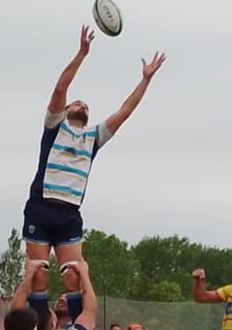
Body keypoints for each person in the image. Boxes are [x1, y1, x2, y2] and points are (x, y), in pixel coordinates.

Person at [21, 26, 164, 283]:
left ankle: (75, 312)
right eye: (77, 103)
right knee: (38, 276)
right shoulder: (55, 127)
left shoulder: (93, 138)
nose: (83, 105)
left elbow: (125, 111)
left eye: (86, 105)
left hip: (69, 212)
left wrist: (145, 80)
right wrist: (82, 54)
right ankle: (36, 311)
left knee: (73, 277)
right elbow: (60, 89)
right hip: (41, 205)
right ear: (65, 111)